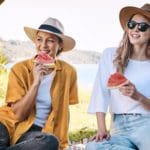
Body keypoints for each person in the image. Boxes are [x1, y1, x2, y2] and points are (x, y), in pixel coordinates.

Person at [0, 17, 78, 150]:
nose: (43, 45)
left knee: (50, 142)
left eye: (50, 40)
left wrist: (63, 141)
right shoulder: (19, 69)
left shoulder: (68, 72)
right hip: (7, 124)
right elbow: (18, 114)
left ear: (60, 46)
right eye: (39, 39)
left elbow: (64, 110)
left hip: (36, 133)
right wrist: (36, 82)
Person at [86, 3, 150, 150]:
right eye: (132, 24)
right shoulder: (110, 55)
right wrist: (102, 128)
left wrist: (137, 96)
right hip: (119, 127)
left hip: (147, 125)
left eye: (142, 26)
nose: (135, 29)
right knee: (93, 147)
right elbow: (101, 92)